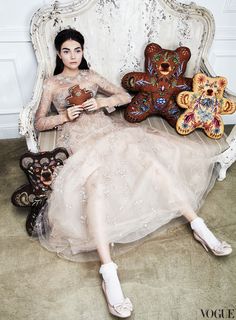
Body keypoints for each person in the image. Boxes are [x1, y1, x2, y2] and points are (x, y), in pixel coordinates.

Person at [34, 28, 232, 318]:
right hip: (80, 142)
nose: (73, 56)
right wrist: (64, 116)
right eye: (67, 51)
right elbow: (39, 122)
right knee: (96, 187)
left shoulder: (91, 77)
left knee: (151, 165)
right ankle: (108, 273)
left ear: (83, 50)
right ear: (58, 53)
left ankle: (199, 226)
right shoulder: (52, 83)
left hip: (110, 132)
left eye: (77, 50)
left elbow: (125, 96)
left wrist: (100, 102)